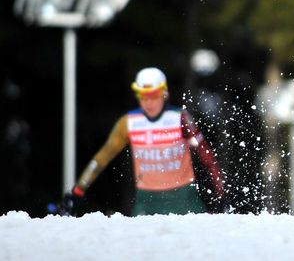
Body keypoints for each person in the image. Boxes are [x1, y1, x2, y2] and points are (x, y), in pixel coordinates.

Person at [59, 67, 226, 216]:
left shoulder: (180, 118)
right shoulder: (129, 122)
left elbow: (206, 156)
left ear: (164, 93)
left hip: (183, 199)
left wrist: (221, 193)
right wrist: (78, 191)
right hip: (147, 201)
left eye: (154, 96)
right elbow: (102, 158)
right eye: (143, 96)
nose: (148, 102)